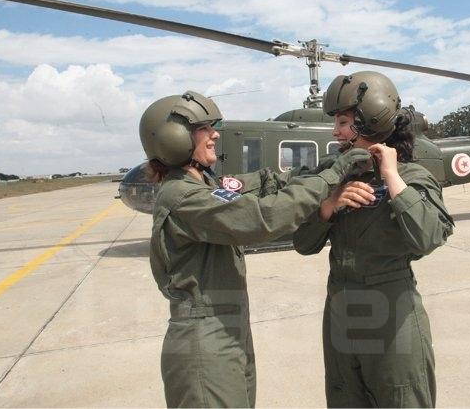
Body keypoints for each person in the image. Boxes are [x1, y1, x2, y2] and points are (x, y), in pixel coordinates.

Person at [140, 90, 370, 408]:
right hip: (205, 341)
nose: (215, 134)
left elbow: (255, 184)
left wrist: (313, 171)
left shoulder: (203, 186)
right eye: (205, 128)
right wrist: (331, 177)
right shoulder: (183, 197)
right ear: (175, 137)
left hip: (226, 330)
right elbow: (264, 218)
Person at [293, 71, 454, 408]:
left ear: (371, 120)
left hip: (392, 316)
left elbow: (428, 237)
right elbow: (303, 243)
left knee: (401, 398)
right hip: (340, 311)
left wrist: (392, 177)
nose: (335, 132)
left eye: (343, 122)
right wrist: (328, 205)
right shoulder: (333, 176)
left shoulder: (411, 177)